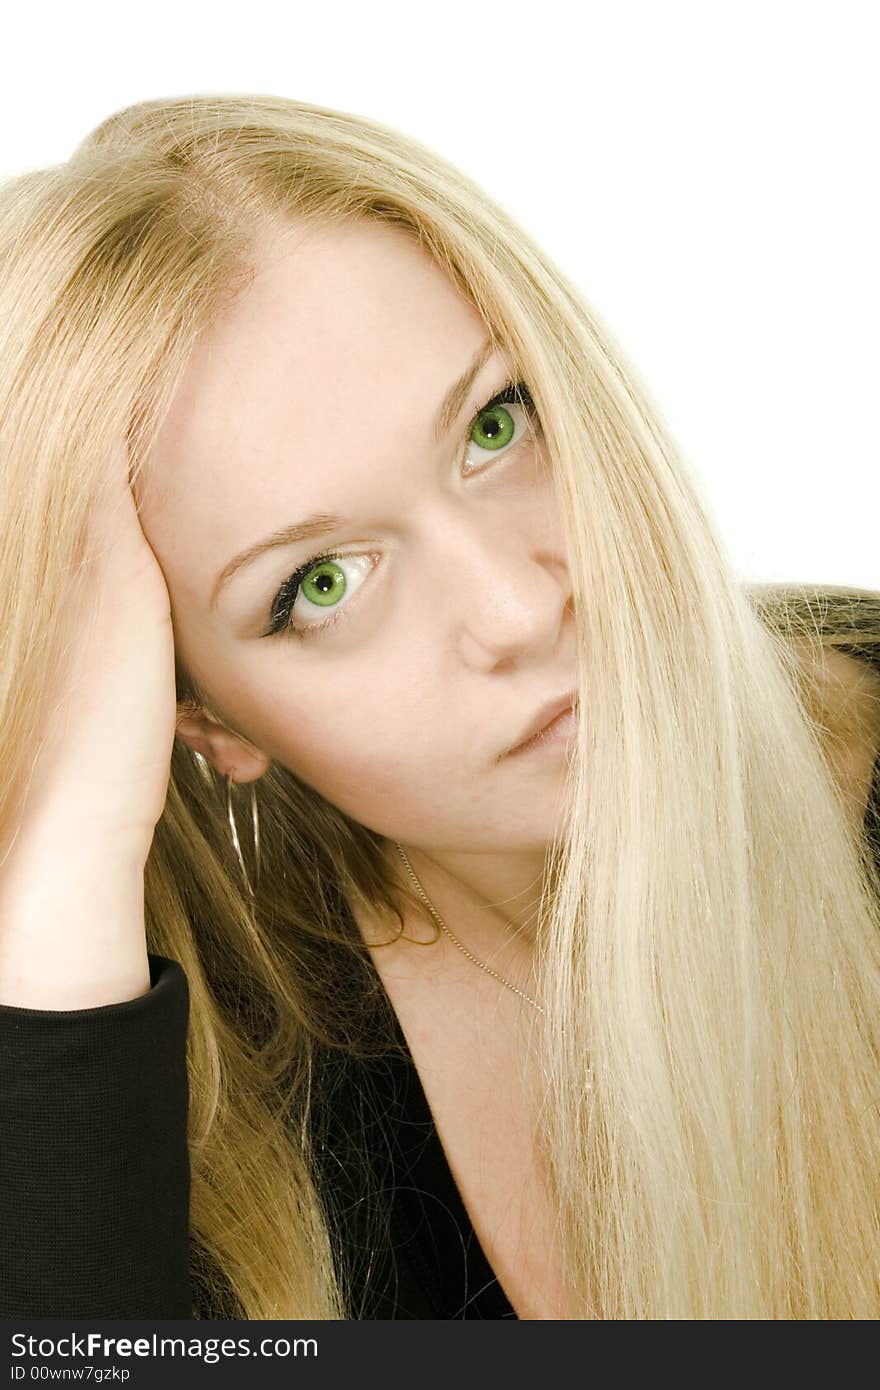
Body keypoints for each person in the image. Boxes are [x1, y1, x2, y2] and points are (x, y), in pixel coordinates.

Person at [0, 93, 879, 1322]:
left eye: (495, 423)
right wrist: (59, 863)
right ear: (200, 719)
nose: (515, 609)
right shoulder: (213, 1091)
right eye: (319, 584)